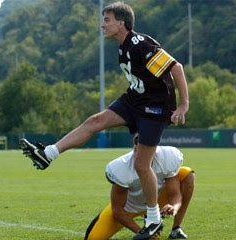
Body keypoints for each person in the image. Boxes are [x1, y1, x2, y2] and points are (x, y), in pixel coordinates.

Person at [19, 2, 189, 239]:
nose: (102, 24)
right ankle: (48, 154)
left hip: (154, 108)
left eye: (107, 19)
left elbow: (176, 68)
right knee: (95, 121)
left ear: (121, 23)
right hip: (136, 101)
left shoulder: (141, 45)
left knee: (142, 164)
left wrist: (183, 105)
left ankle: (153, 218)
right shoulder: (123, 48)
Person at [85, 134, 195, 240]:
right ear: (134, 148)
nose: (141, 155)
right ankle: (148, 217)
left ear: (155, 149)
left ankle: (176, 229)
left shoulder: (168, 157)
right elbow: (117, 210)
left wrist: (174, 207)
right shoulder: (121, 167)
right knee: (94, 238)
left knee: (187, 174)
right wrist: (142, 233)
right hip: (130, 207)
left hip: (157, 199)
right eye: (137, 150)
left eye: (146, 150)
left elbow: (174, 193)